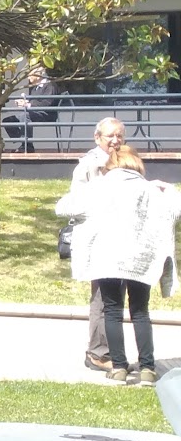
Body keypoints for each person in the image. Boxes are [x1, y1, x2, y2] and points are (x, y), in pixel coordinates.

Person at [57, 140, 181, 385]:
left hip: (107, 256)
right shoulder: (150, 190)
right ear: (137, 163)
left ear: (111, 164)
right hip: (142, 259)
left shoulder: (99, 187)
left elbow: (63, 208)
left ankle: (119, 367)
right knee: (140, 311)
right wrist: (170, 189)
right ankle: (147, 368)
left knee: (112, 311)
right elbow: (174, 212)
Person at [71, 116, 127, 373]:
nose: (115, 140)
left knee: (115, 299)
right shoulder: (89, 165)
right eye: (110, 136)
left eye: (119, 135)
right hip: (99, 240)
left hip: (121, 238)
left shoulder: (126, 160)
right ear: (97, 138)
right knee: (103, 298)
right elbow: (77, 203)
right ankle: (97, 353)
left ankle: (110, 352)